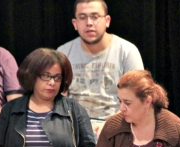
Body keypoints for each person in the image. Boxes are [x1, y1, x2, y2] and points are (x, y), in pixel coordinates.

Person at [57, 0, 144, 134]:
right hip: (75, 127)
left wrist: (111, 124)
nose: (89, 23)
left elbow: (138, 98)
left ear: (107, 21)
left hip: (119, 124)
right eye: (82, 17)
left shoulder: (127, 51)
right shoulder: (63, 53)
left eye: (95, 16)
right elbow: (59, 100)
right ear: (75, 24)